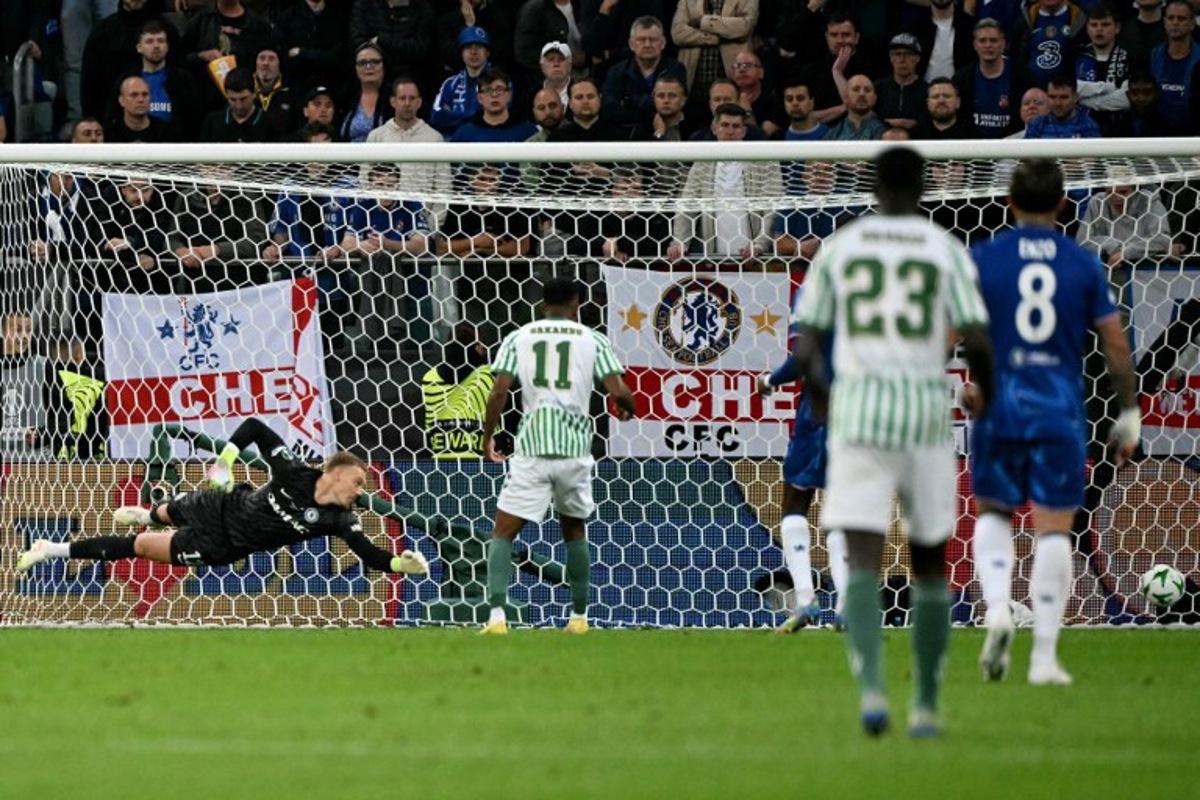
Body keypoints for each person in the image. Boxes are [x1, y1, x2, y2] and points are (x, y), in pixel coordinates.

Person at [791, 146, 995, 737]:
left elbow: (808, 347)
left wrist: (828, 400)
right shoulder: (944, 249)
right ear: (924, 187)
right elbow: (977, 339)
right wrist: (987, 391)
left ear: (871, 189)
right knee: (930, 559)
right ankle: (927, 704)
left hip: (860, 413)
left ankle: (873, 690)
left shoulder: (842, 248)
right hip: (926, 415)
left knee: (860, 553)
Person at [968, 158, 1140, 686]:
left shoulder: (984, 257)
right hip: (1060, 408)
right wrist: (1129, 410)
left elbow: (959, 328)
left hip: (1000, 402)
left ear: (1010, 202)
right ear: (1065, 203)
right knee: (1054, 531)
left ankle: (997, 608)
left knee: (995, 513)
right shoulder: (1083, 263)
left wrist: (972, 382)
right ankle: (1043, 659)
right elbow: (1114, 344)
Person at [17, 417, 430, 577]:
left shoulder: (340, 521)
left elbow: (371, 555)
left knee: (139, 546)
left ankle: (49, 549)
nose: (361, 493)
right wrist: (226, 462)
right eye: (358, 482)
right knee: (165, 510)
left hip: (225, 544)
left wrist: (400, 563)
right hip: (225, 504)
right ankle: (151, 511)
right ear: (335, 473)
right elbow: (253, 426)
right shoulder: (294, 471)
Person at [478, 277, 637, 634]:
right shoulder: (593, 340)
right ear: (578, 304)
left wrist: (488, 438)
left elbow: (499, 391)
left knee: (503, 533)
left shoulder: (520, 337)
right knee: (574, 531)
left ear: (541, 303)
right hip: (574, 451)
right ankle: (579, 619)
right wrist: (627, 406)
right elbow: (619, 390)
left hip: (532, 448)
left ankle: (497, 618)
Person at [755, 283, 848, 633]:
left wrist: (771, 380)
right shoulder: (874, 291)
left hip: (820, 409)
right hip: (861, 410)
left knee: (795, 500)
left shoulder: (813, 292)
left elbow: (804, 357)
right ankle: (845, 606)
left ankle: (806, 600)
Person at [600, 16, 687, 136]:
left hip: (670, 131)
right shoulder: (617, 72)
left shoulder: (675, 69)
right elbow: (609, 109)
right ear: (631, 44)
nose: (647, 44)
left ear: (663, 43)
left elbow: (677, 106)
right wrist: (650, 116)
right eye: (641, 40)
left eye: (653, 40)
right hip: (626, 134)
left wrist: (631, 102)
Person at [421, 323, 495, 458]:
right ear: (478, 347)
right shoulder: (488, 375)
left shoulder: (429, 377)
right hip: (481, 462)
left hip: (440, 461)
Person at [953, 17, 1022, 138]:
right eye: (982, 41)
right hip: (972, 148)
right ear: (975, 45)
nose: (988, 45)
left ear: (1003, 44)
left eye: (993, 40)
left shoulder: (1022, 76)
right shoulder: (961, 78)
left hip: (1011, 148)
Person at [431, 26, 493, 136]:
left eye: (479, 47)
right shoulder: (450, 83)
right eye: (468, 47)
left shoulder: (499, 82)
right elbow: (436, 116)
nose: (473, 52)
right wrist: (472, 115)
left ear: (487, 52)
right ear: (461, 53)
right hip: (455, 145)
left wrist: (452, 114)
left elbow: (495, 117)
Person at [874, 33, 928, 133]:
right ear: (891, 58)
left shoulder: (927, 90)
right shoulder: (878, 88)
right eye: (898, 54)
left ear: (917, 58)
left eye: (908, 54)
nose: (902, 59)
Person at [1025, 73, 1101, 138]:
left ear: (1075, 98)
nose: (1058, 103)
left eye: (1064, 97)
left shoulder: (1087, 126)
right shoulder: (1037, 124)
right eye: (1052, 97)